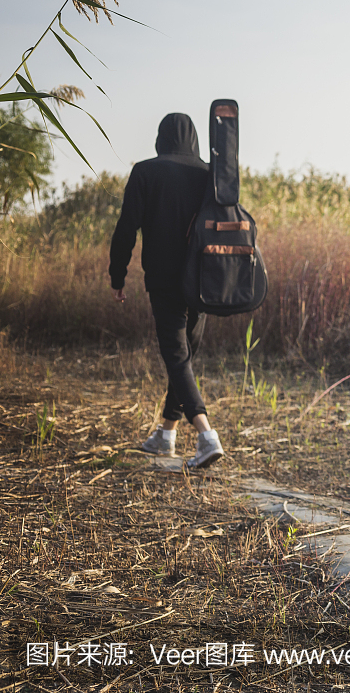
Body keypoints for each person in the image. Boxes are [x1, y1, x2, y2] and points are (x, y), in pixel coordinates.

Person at [109, 113, 225, 470]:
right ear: (193, 137)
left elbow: (126, 228)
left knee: (177, 356)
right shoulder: (210, 174)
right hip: (202, 279)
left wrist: (118, 275)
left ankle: (207, 436)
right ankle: (166, 434)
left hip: (163, 279)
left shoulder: (145, 172)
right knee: (184, 356)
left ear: (161, 137)